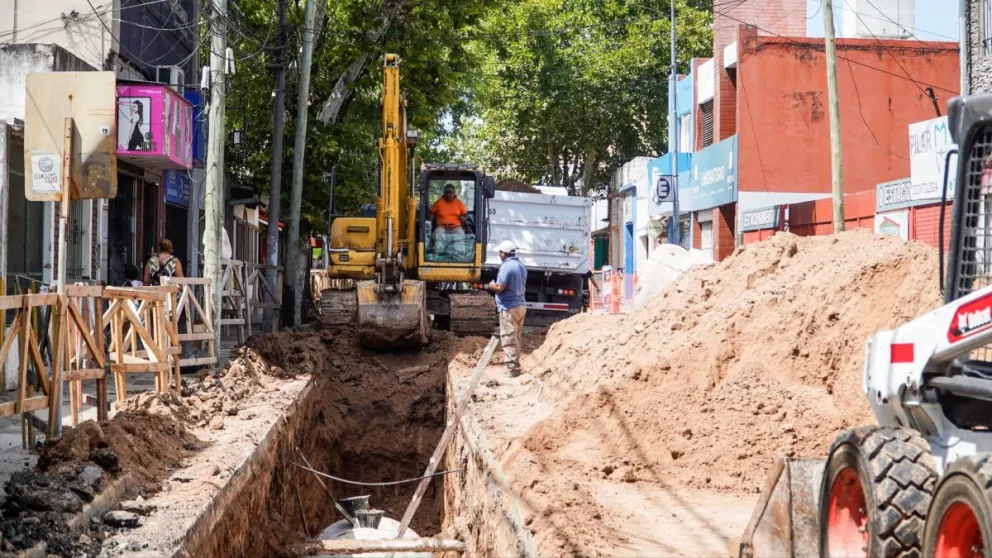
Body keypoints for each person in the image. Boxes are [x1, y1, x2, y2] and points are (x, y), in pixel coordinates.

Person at [486, 240, 528, 376]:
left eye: (500, 252)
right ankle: (514, 365)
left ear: (504, 253)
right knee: (516, 337)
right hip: (521, 305)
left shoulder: (506, 266)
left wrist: (491, 285)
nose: (499, 255)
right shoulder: (521, 266)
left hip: (509, 306)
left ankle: (513, 369)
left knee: (509, 339)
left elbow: (500, 287)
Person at [429, 184, 468, 259]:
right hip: (442, 226)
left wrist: (464, 218)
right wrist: (431, 216)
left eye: (451, 192)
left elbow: (466, 214)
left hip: (455, 226)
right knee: (438, 233)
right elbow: (431, 212)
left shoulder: (459, 203)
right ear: (444, 193)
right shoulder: (439, 203)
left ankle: (459, 255)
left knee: (460, 233)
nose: (449, 194)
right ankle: (439, 254)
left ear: (454, 193)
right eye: (447, 192)